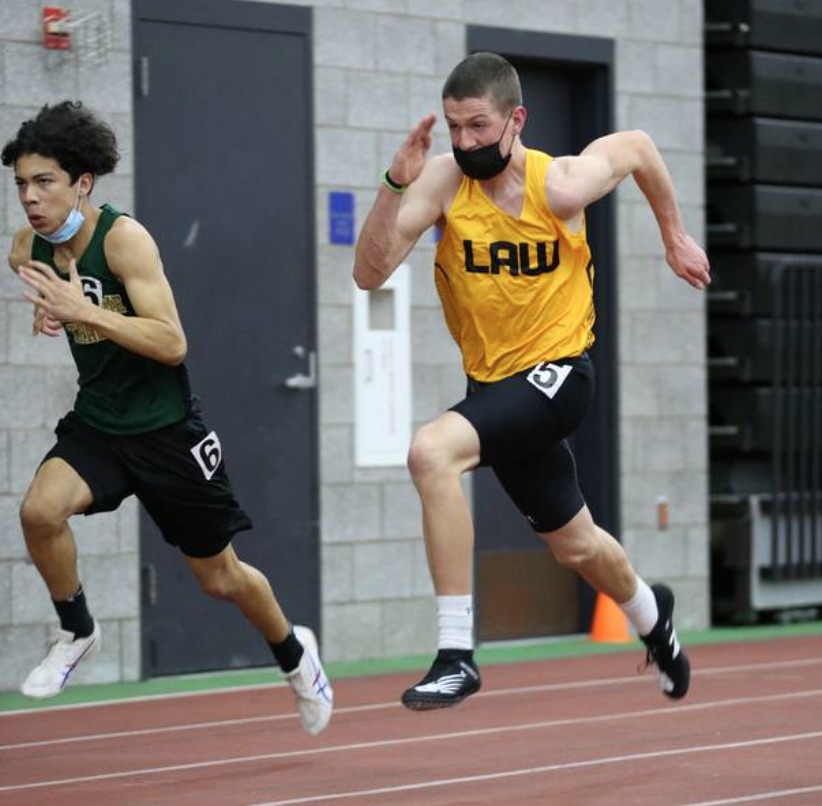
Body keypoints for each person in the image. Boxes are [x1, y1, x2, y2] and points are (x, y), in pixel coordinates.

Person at [353, 52, 710, 711]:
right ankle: (651, 614)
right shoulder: (442, 183)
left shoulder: (561, 185)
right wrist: (393, 185)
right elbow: (369, 273)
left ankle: (456, 655)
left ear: (515, 120)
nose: (465, 142)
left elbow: (637, 146)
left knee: (432, 452)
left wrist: (673, 235)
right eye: (455, 128)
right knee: (575, 545)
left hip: (561, 375)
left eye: (479, 126)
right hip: (496, 388)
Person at [2, 101, 333, 736]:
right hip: (100, 423)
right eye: (21, 184)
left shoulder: (123, 239)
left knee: (221, 579)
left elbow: (172, 342)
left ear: (82, 182)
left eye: (44, 182)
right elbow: (26, 266)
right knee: (39, 512)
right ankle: (77, 630)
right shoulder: (29, 243)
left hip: (166, 432)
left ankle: (296, 656)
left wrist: (82, 310)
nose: (30, 197)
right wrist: (44, 304)